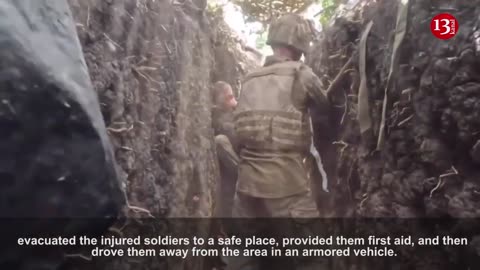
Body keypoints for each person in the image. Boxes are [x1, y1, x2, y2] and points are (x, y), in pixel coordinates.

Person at [226, 13, 333, 270]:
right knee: (313, 258)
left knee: (245, 259)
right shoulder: (302, 75)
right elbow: (327, 110)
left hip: (246, 190)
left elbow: (238, 133)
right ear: (299, 44)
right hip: (287, 187)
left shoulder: (249, 79)